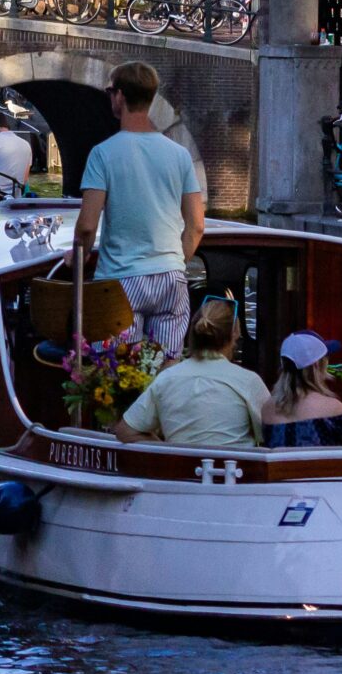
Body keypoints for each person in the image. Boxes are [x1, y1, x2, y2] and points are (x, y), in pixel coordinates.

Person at [73, 61, 206, 356]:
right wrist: (174, 261)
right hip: (171, 278)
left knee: (115, 374)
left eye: (111, 92)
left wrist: (76, 260)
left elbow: (86, 227)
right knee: (164, 371)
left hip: (121, 281)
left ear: (119, 96)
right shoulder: (180, 155)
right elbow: (196, 225)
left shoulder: (103, 154)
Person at [114, 296, 266, 449]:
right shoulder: (248, 381)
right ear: (234, 336)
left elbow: (126, 431)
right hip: (233, 470)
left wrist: (168, 452)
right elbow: (272, 434)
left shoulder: (166, 378)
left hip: (179, 470)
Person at [260, 330, 342, 447]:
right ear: (317, 365)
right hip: (318, 467)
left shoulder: (267, 408)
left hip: (283, 467)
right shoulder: (332, 408)